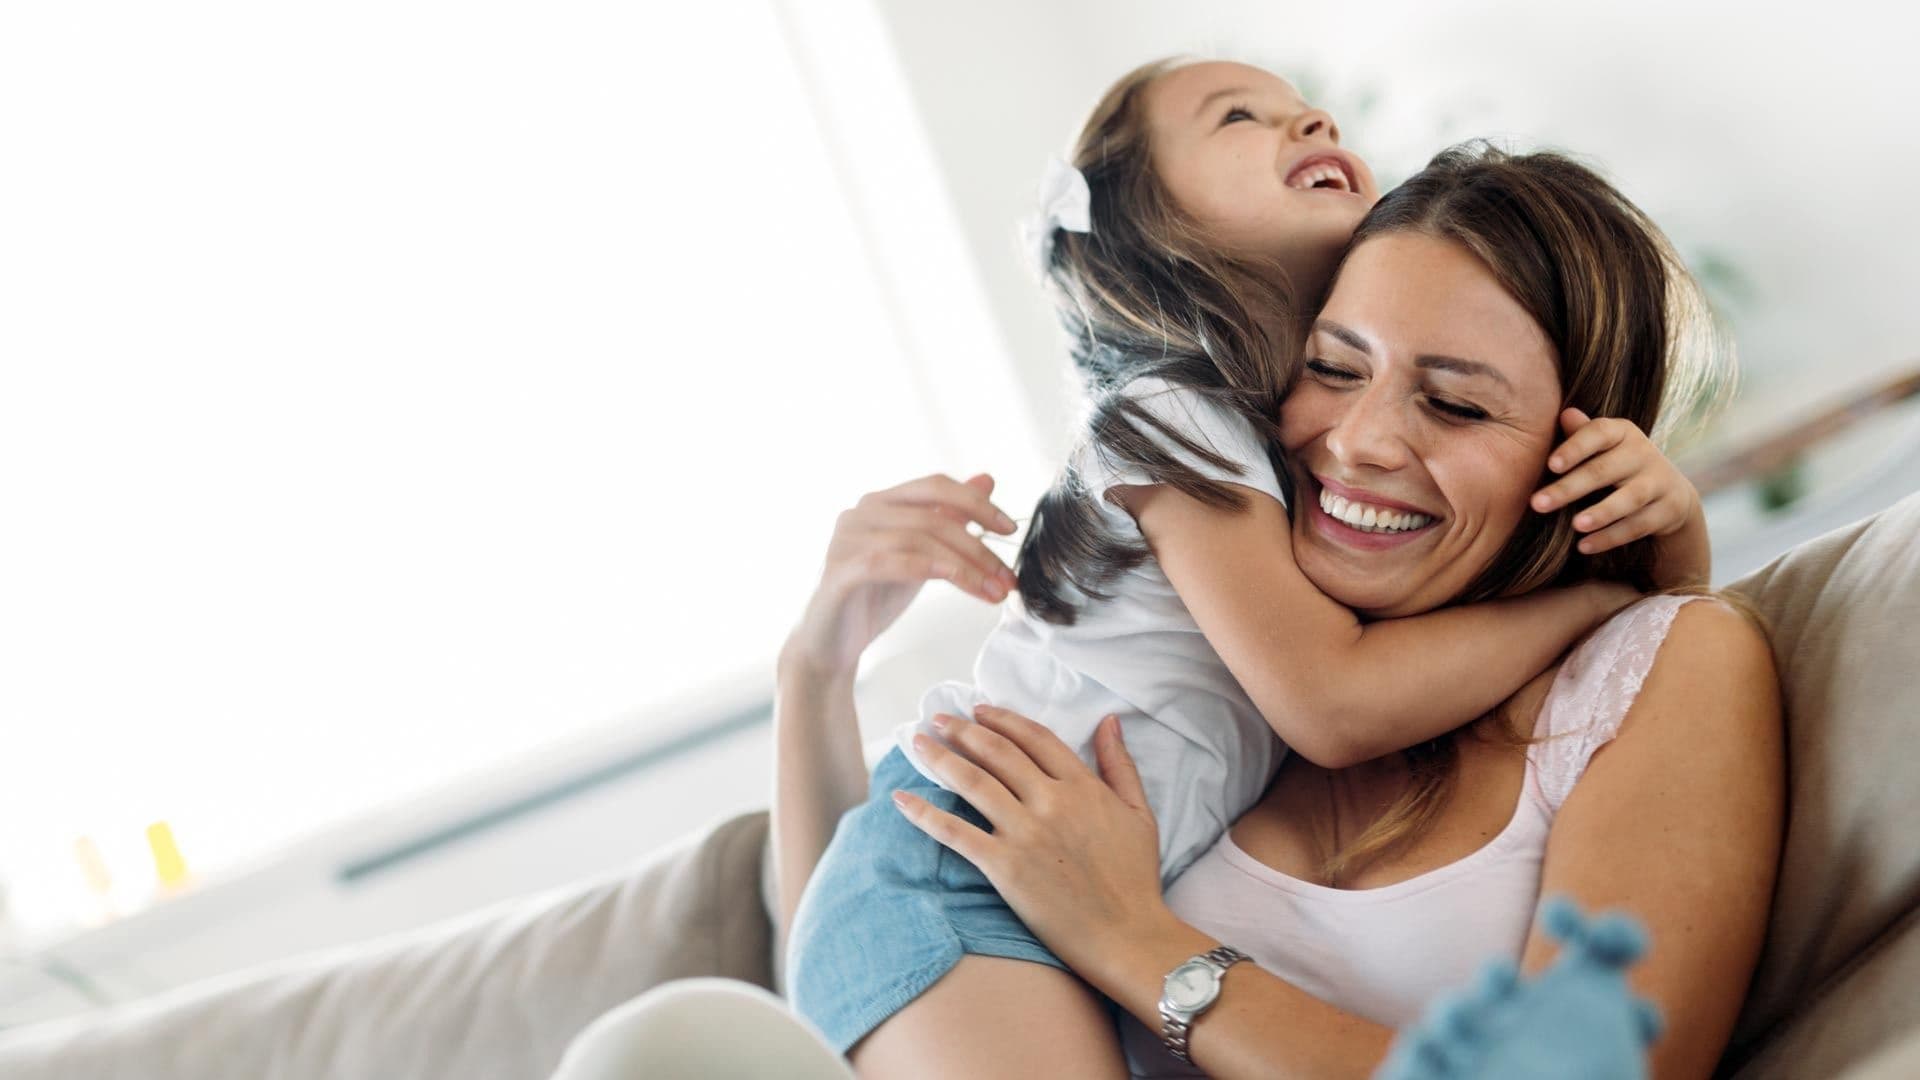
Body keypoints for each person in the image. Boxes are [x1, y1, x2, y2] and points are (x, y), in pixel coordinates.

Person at [777, 59, 1733, 1077]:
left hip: (979, 884)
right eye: (1334, 367)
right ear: (1152, 233)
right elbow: (1333, 704)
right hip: (956, 873)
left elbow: (1657, 640)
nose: (1314, 121)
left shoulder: (1258, 471)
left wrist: (1659, 556)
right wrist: (1600, 593)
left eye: (1454, 403)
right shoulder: (1173, 421)